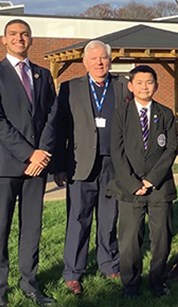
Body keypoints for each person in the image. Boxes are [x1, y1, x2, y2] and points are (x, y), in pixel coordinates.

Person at [0, 19, 57, 307]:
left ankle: (30, 283)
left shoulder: (42, 75)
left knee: (32, 229)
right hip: (5, 165)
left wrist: (44, 153)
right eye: (13, 34)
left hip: (37, 166)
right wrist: (28, 153)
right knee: (0, 228)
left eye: (24, 34)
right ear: (4, 39)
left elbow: (53, 116)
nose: (19, 38)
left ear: (31, 39)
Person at [53, 40, 132, 295]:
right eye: (94, 59)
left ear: (110, 61)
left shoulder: (122, 86)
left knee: (109, 218)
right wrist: (59, 165)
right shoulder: (70, 88)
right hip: (80, 164)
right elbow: (59, 127)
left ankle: (109, 265)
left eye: (104, 58)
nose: (99, 63)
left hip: (113, 164)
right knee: (78, 219)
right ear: (85, 62)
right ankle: (73, 272)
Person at [108, 65, 177, 299]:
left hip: (159, 186)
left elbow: (170, 149)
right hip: (130, 188)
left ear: (156, 85)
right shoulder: (121, 114)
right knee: (129, 239)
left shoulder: (166, 114)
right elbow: (116, 151)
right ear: (131, 86)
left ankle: (158, 280)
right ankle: (131, 284)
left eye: (149, 82)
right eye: (139, 82)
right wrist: (133, 182)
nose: (144, 86)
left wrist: (151, 179)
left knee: (162, 238)